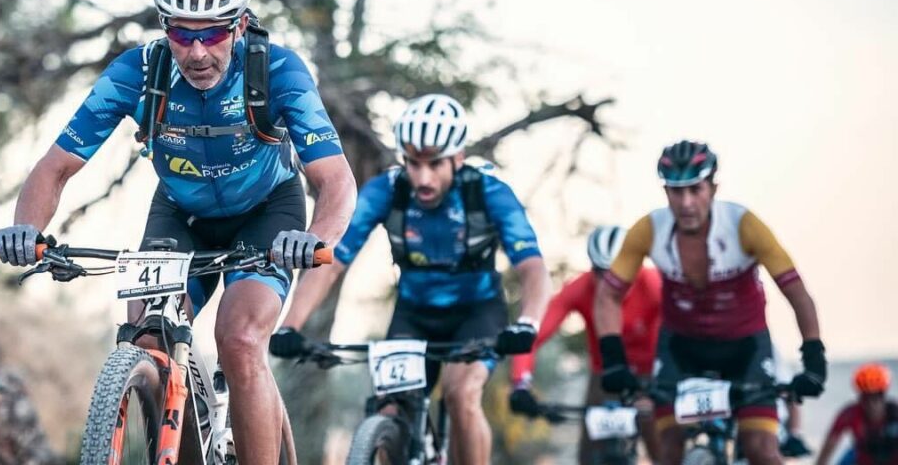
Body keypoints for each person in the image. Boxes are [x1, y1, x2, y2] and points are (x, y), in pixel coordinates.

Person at [0, 0, 357, 465]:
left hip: (267, 214)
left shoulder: (276, 70)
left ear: (242, 24)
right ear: (165, 29)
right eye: (182, 34)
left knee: (240, 334)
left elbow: (336, 179)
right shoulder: (138, 71)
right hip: (180, 213)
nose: (197, 52)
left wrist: (315, 238)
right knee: (146, 334)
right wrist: (25, 229)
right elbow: (56, 166)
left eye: (213, 33)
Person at [269, 93, 551, 465]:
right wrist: (290, 326)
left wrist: (528, 322)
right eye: (412, 163)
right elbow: (332, 259)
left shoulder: (489, 192)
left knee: (460, 393)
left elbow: (533, 267)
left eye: (434, 164)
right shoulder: (388, 189)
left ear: (458, 158)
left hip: (477, 314)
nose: (422, 177)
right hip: (414, 314)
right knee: (387, 410)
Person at [593, 140, 827, 465]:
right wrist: (614, 358)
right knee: (668, 448)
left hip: (744, 349)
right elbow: (608, 295)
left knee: (761, 448)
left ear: (713, 188)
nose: (686, 202)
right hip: (681, 349)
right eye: (676, 191)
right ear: (665, 193)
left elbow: (797, 293)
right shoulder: (649, 230)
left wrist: (814, 357)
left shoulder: (744, 225)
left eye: (695, 189)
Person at [508, 225, 663, 464]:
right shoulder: (580, 288)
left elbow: (676, 333)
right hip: (605, 375)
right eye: (599, 272)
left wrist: (664, 383)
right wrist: (521, 383)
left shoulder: (653, 284)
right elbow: (532, 336)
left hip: (651, 372)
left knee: (663, 447)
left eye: (617, 272)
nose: (608, 281)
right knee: (588, 456)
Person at [817, 364, 898, 465]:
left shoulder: (895, 414)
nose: (872, 404)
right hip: (863, 460)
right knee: (848, 457)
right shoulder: (850, 414)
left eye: (877, 397)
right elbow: (829, 446)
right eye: (866, 398)